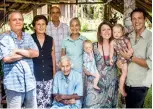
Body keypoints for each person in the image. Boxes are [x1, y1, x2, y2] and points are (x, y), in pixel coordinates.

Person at [0, 11, 39, 108]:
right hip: (13, 86)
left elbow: (36, 53)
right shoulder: (4, 38)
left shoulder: (28, 36)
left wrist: (17, 50)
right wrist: (28, 53)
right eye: (14, 19)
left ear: (23, 21)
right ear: (9, 22)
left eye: (20, 19)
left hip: (30, 84)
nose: (18, 21)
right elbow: (6, 58)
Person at [117, 8, 152, 108]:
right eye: (134, 19)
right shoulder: (129, 36)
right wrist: (119, 63)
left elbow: (150, 63)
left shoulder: (150, 38)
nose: (136, 21)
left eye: (139, 18)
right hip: (128, 82)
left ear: (145, 19)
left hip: (140, 84)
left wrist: (131, 58)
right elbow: (122, 55)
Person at [83, 22, 118, 108]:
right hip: (96, 82)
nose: (106, 32)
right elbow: (85, 60)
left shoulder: (117, 46)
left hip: (111, 84)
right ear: (100, 33)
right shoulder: (93, 46)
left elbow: (122, 61)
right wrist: (86, 70)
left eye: (109, 29)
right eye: (103, 29)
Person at [31, 15, 56, 108]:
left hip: (48, 77)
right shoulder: (30, 39)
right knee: (35, 103)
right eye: (38, 24)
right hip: (34, 77)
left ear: (46, 26)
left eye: (43, 24)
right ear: (34, 26)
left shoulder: (50, 40)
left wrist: (54, 74)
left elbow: (53, 57)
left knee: (48, 102)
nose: (41, 27)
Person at [110, 24, 133, 96]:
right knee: (124, 73)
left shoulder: (125, 39)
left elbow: (130, 47)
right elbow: (111, 51)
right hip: (122, 59)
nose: (116, 34)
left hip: (127, 57)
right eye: (114, 32)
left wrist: (130, 51)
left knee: (126, 74)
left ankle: (122, 86)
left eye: (118, 32)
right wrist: (111, 58)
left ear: (122, 32)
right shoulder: (113, 42)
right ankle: (121, 88)